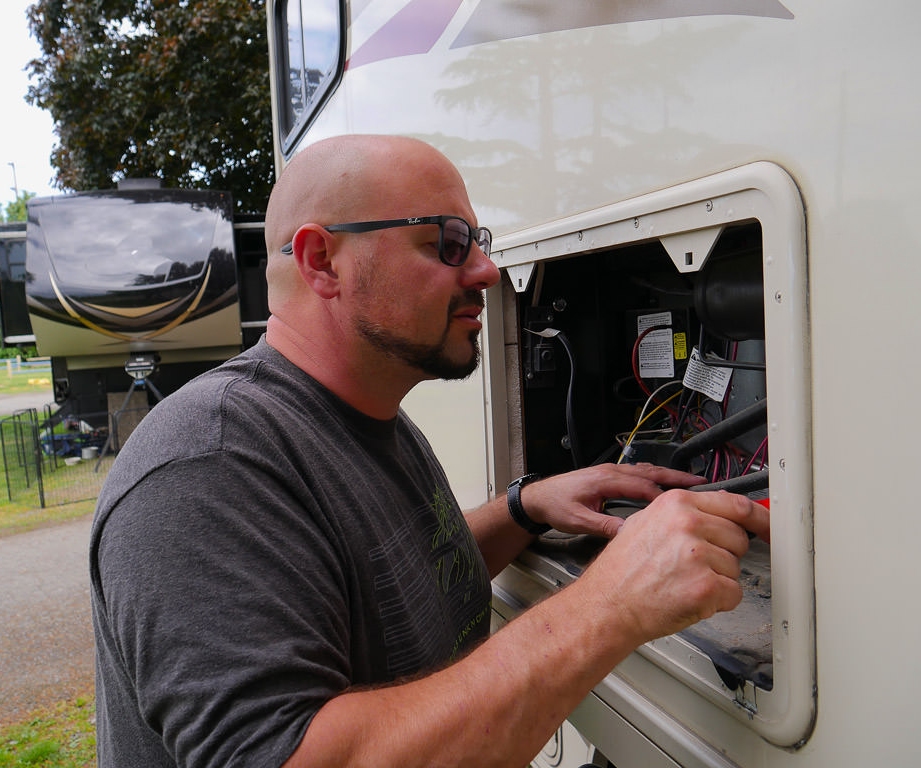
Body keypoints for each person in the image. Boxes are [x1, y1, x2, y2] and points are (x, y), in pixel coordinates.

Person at [90, 134, 769, 768]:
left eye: (477, 240)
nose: (485, 270)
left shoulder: (367, 416)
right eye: (446, 244)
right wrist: (612, 604)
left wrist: (525, 508)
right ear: (321, 260)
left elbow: (396, 583)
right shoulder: (207, 466)